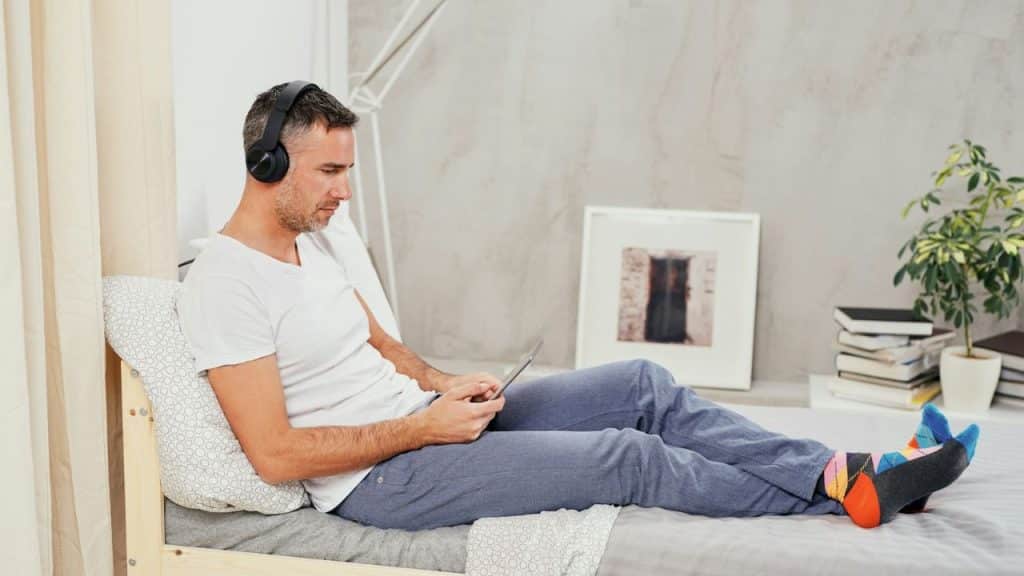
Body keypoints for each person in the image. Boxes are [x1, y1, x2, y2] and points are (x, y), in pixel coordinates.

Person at [178, 81, 979, 532]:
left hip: (425, 421)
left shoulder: (312, 243)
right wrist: (420, 428)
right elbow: (275, 456)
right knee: (626, 457)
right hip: (380, 483)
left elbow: (381, 345)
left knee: (641, 383)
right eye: (327, 172)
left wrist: (445, 384)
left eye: (347, 171)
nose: (342, 192)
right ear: (268, 163)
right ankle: (855, 486)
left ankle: (847, 473)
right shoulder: (225, 280)